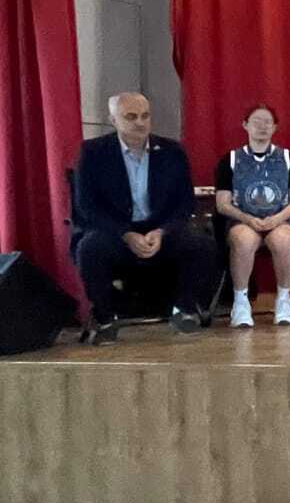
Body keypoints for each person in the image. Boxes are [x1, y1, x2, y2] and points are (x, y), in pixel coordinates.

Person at [72, 92, 214, 343]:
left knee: (202, 244)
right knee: (89, 248)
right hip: (116, 231)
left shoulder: (172, 151)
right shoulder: (93, 152)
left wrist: (162, 231)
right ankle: (105, 318)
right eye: (131, 117)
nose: (140, 122)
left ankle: (185, 310)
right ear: (113, 120)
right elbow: (87, 206)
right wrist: (126, 234)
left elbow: (184, 203)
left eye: (145, 116)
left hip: (159, 230)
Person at [214, 103, 290, 329]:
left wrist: (277, 219)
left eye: (267, 122)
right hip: (243, 219)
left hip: (281, 219)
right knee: (244, 240)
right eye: (257, 121)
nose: (262, 126)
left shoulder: (289, 158)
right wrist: (247, 218)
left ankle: (283, 299)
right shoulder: (230, 160)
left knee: (282, 240)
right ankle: (241, 301)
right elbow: (222, 203)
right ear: (245, 125)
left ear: (275, 127)